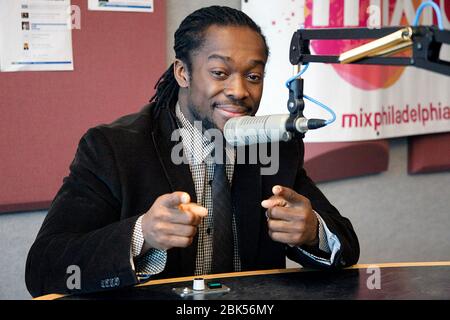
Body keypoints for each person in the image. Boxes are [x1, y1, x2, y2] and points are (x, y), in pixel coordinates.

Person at [25, 6, 359, 298]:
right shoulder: (113, 148)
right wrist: (142, 234)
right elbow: (43, 269)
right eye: (219, 73)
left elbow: (347, 246)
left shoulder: (275, 145)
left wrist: (314, 230)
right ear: (182, 72)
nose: (240, 91)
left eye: (253, 76)